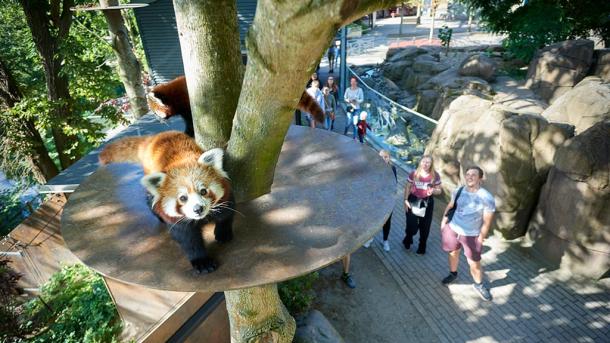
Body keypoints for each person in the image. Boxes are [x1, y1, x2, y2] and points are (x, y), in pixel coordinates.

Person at [440, 166, 495, 301]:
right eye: (468, 174)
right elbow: (451, 205)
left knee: (474, 262)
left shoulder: (486, 197)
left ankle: (479, 285)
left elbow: (487, 222)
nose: (469, 177)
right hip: (453, 229)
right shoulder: (458, 190)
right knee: (453, 253)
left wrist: (481, 238)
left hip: (471, 234)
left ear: (480, 179)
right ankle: (453, 274)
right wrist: (444, 221)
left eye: (474, 175)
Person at [403, 156, 442, 255]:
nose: (425, 164)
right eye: (424, 161)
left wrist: (434, 190)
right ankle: (408, 238)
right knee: (411, 226)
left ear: (431, 164)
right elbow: (408, 186)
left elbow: (439, 190)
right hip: (413, 200)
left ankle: (422, 246)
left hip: (427, 202)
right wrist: (405, 200)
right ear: (420, 162)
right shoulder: (414, 173)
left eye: (428, 162)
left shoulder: (435, 175)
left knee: (425, 226)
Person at [364, 150, 397, 251]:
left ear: (389, 158)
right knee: (373, 219)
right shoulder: (372, 168)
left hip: (387, 200)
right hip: (374, 199)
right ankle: (370, 237)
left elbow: (394, 184)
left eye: (386, 157)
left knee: (386, 221)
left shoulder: (392, 168)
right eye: (381, 157)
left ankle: (385, 240)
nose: (383, 159)